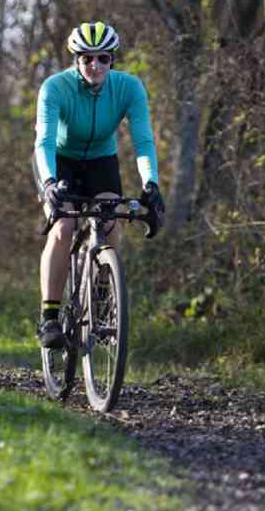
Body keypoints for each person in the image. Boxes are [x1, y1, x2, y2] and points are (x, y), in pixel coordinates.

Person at [32, 21, 166, 348]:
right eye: (87, 58)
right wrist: (49, 182)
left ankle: (104, 301)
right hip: (59, 160)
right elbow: (44, 141)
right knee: (63, 227)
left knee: (109, 221)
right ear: (76, 60)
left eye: (102, 58)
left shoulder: (129, 88)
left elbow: (144, 141)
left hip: (101, 161)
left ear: (112, 60)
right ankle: (49, 318)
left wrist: (151, 184)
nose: (95, 65)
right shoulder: (55, 87)